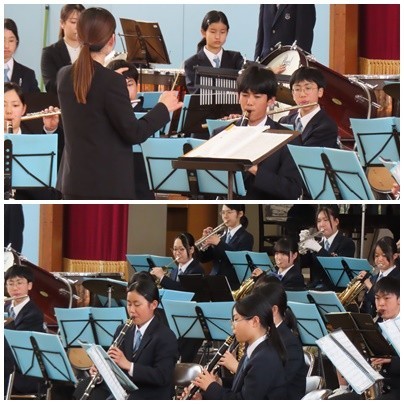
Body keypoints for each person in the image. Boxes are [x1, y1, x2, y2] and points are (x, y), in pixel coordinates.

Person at [56, 7, 182, 200]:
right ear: (111, 40)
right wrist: (163, 108)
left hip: (73, 182)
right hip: (106, 185)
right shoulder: (111, 81)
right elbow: (134, 133)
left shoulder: (63, 75)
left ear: (79, 36)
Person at [74, 278, 179, 399]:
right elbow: (115, 368)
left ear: (153, 305)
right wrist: (102, 370)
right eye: (129, 304)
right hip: (124, 390)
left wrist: (129, 365)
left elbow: (162, 376)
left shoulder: (166, 336)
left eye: (137, 305)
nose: (132, 310)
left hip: (149, 393)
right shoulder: (123, 330)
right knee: (83, 387)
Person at [212, 65, 303, 199]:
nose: (249, 102)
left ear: (271, 101)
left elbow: (292, 190)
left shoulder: (288, 139)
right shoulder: (220, 134)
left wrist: (254, 169)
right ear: (238, 96)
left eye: (257, 96)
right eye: (245, 95)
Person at [186, 292, 288, 399]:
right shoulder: (253, 351)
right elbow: (241, 385)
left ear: (255, 321)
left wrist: (211, 387)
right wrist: (217, 383)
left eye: (236, 319)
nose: (232, 325)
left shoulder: (264, 358)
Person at [330, 276, 400, 399]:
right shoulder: (375, 325)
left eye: (386, 298)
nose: (381, 303)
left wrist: (392, 361)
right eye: (377, 298)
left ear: (399, 299)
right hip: (373, 389)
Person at [4, 82, 63, 199]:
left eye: (15, 105)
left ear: (23, 109)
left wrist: (51, 129)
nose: (9, 111)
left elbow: (52, 192)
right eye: (3, 105)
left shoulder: (38, 145)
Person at [105, 59, 153, 199]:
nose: (124, 90)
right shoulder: (101, 115)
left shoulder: (149, 117)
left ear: (137, 86)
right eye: (118, 85)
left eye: (129, 84)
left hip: (140, 183)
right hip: (111, 183)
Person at [4, 265, 45, 396]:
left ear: (29, 285)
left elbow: (13, 344)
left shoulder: (33, 314)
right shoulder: (5, 307)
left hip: (22, 371)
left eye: (19, 283)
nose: (15, 288)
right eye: (11, 283)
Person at [184, 10, 244, 94]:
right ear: (203, 32)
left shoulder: (235, 58)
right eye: (213, 32)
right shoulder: (191, 63)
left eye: (222, 32)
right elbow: (197, 94)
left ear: (227, 33)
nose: (218, 36)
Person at [279, 66, 339, 149]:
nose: (302, 94)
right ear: (292, 93)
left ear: (320, 92)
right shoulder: (284, 121)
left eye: (308, 88)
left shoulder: (327, 126)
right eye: (297, 89)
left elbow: (304, 153)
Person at [299, 205, 355, 289]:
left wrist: (318, 249)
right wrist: (303, 249)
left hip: (334, 290)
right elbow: (303, 264)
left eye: (326, 220)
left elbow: (339, 268)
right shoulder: (317, 243)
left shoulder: (347, 243)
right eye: (319, 221)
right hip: (314, 288)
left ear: (336, 222)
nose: (321, 224)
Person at [199, 204, 253, 289]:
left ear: (240, 214)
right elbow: (204, 259)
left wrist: (219, 243)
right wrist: (206, 243)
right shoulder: (220, 235)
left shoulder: (246, 237)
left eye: (229, 212)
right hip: (213, 280)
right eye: (223, 212)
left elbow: (236, 260)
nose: (225, 216)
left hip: (231, 284)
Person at [41, 4, 85, 94]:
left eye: (81, 22)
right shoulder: (50, 52)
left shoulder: (91, 49)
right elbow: (51, 86)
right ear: (62, 23)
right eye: (73, 22)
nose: (78, 27)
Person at [360, 236, 399, 317]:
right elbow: (365, 307)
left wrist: (370, 286)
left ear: (395, 256)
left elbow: (385, 304)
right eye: (377, 256)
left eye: (384, 255)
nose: (380, 259)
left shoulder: (398, 277)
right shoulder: (373, 278)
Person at [4, 18, 40, 93]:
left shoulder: (28, 74)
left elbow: (37, 99)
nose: (6, 45)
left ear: (17, 42)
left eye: (11, 40)